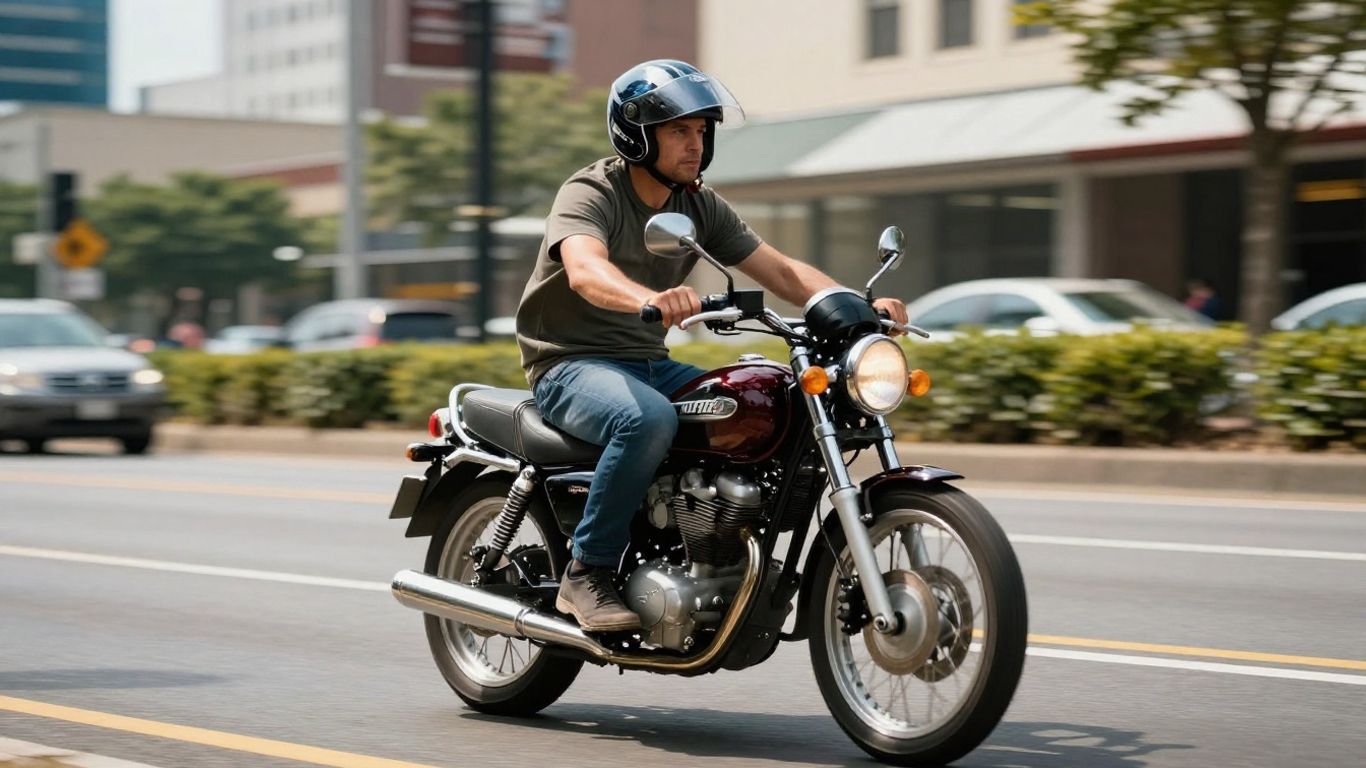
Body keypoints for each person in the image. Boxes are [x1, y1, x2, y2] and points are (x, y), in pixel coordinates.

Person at [514, 60, 909, 631]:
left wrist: (855, 308)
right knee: (646, 420)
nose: (695, 144)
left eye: (701, 130)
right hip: (569, 363)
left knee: (770, 400)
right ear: (637, 133)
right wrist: (651, 299)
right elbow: (584, 269)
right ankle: (587, 571)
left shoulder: (698, 204)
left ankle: (717, 549)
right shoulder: (591, 191)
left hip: (648, 363)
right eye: (679, 130)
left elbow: (783, 272)